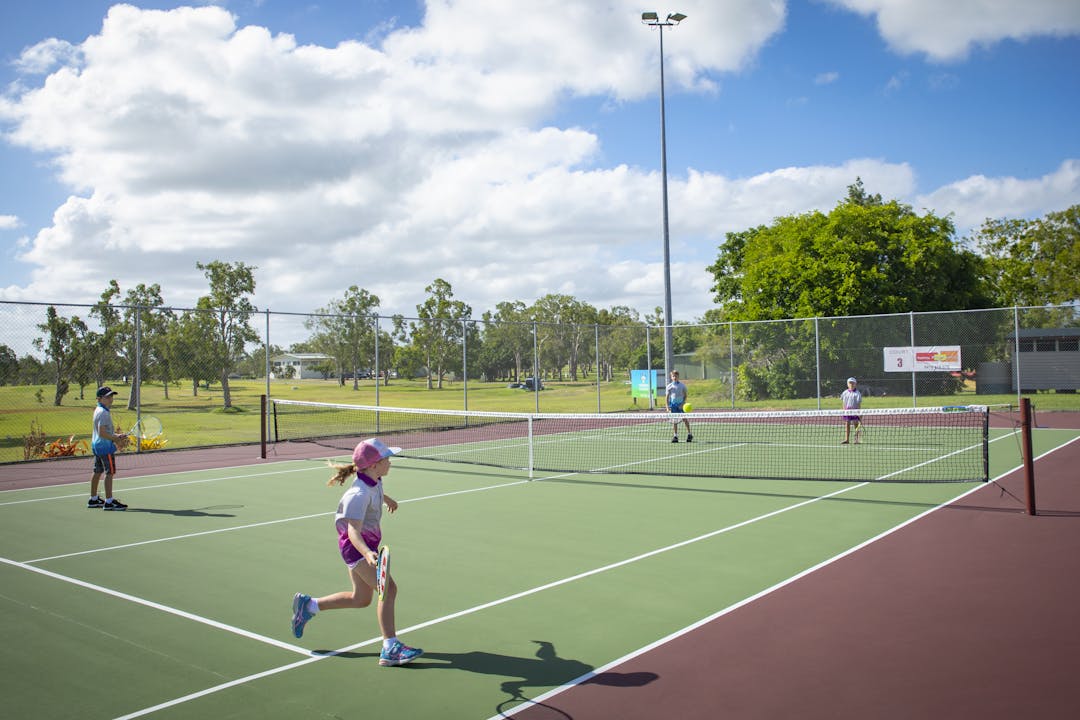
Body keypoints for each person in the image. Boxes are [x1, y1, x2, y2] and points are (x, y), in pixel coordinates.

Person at [291, 438, 423, 667]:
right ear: (374, 465)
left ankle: (309, 605)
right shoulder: (358, 494)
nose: (390, 462)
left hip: (364, 547)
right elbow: (353, 531)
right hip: (357, 549)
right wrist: (367, 553)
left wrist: (387, 499)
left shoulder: (374, 479)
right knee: (388, 590)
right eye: (386, 459)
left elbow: (377, 491)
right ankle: (390, 647)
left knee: (360, 599)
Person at [88, 386, 129, 510]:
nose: (110, 399)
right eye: (107, 397)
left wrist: (116, 435)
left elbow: (104, 431)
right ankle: (109, 501)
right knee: (109, 473)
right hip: (105, 448)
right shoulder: (104, 413)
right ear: (99, 398)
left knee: (97, 471)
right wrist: (116, 439)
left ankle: (93, 499)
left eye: (111, 396)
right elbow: (102, 433)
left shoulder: (98, 410)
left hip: (97, 446)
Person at [665, 370, 693, 443]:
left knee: (684, 419)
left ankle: (689, 434)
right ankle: (675, 436)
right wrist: (667, 407)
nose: (675, 377)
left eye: (676, 376)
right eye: (673, 376)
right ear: (671, 377)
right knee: (674, 421)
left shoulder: (682, 385)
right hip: (673, 406)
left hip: (681, 405)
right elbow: (667, 398)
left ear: (678, 377)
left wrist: (682, 404)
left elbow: (685, 396)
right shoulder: (669, 386)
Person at [840, 376, 863, 444]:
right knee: (847, 424)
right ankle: (847, 439)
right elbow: (844, 402)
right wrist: (844, 410)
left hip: (855, 411)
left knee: (856, 424)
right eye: (850, 383)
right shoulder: (845, 392)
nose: (851, 384)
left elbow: (858, 404)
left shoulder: (857, 393)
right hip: (847, 411)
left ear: (855, 384)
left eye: (853, 383)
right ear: (847, 384)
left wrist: (859, 413)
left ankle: (856, 440)